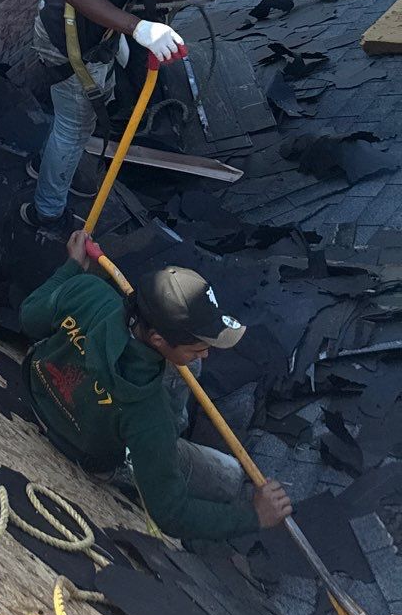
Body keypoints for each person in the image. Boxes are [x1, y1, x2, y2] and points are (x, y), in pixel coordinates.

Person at [20, 230, 292, 543]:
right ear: (158, 339)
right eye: (197, 346)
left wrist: (71, 268)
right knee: (230, 475)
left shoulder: (89, 291)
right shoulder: (148, 414)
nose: (206, 352)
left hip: (38, 389)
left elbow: (29, 317)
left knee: (188, 367)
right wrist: (254, 516)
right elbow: (171, 513)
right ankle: (158, 456)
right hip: (85, 451)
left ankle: (165, 444)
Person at [21, 0, 237, 234]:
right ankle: (46, 213)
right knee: (74, 129)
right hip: (72, 41)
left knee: (73, 120)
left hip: (88, 33)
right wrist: (139, 29)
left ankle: (45, 167)